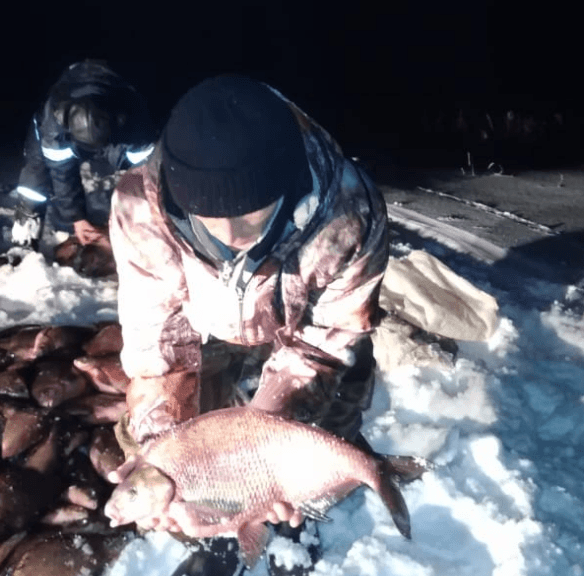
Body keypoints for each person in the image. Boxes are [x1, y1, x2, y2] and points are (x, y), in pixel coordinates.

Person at [107, 75, 389, 573]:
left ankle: (304, 513)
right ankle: (224, 521)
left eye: (253, 217)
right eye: (208, 220)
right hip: (210, 329)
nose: (233, 238)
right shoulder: (139, 208)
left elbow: (326, 342)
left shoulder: (351, 212)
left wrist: (273, 431)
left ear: (287, 185)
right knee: (181, 436)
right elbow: (157, 345)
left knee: (322, 423)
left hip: (305, 332)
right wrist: (162, 452)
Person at [11, 60, 156, 250]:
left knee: (146, 177)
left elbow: (148, 170)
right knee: (35, 175)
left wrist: (138, 213)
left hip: (113, 133)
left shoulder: (134, 117)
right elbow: (62, 174)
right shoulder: (53, 123)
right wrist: (76, 217)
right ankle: (25, 236)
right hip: (65, 133)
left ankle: (154, 229)